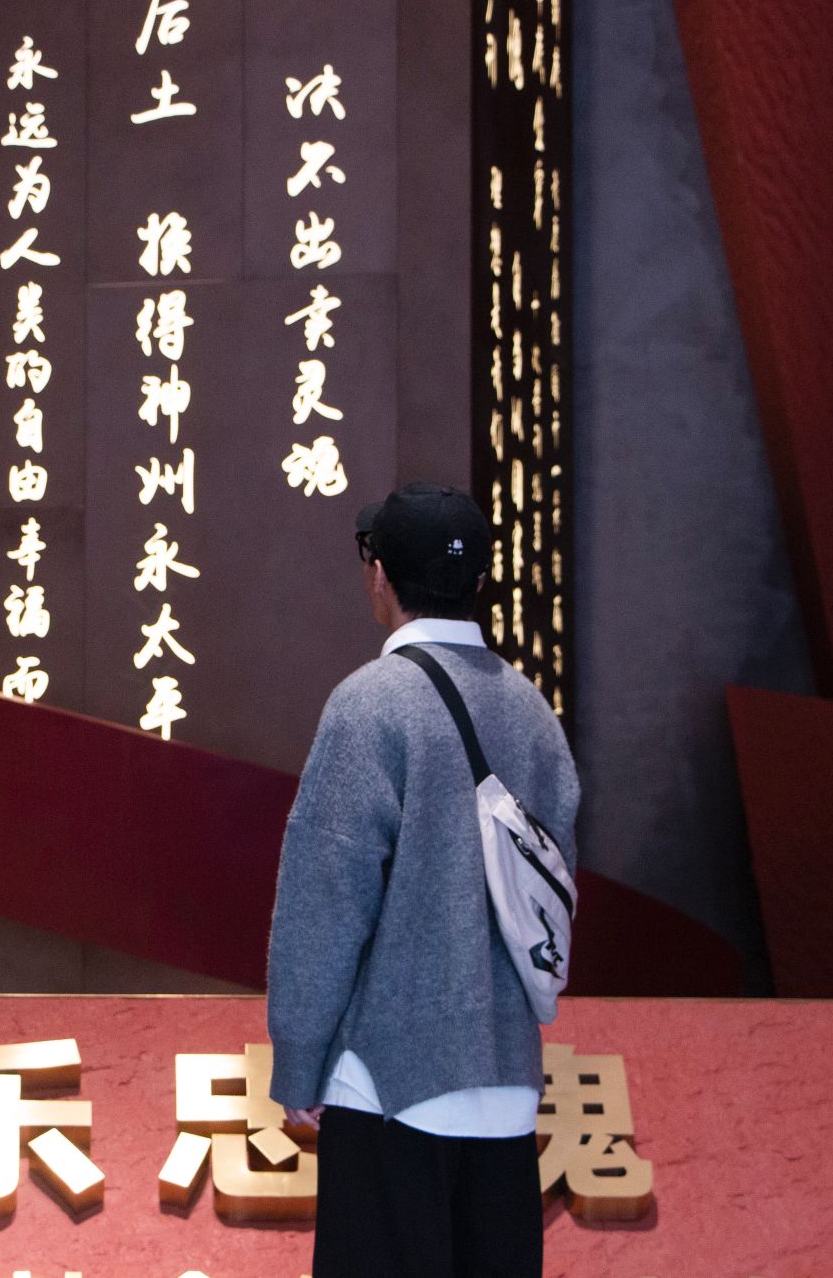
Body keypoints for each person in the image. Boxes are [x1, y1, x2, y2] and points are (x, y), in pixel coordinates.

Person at [267, 481, 580, 1278]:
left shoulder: (369, 705)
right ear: (478, 581)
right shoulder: (532, 712)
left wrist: (299, 1059)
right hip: (507, 1082)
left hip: (388, 1081)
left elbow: (325, 899)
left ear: (380, 576)